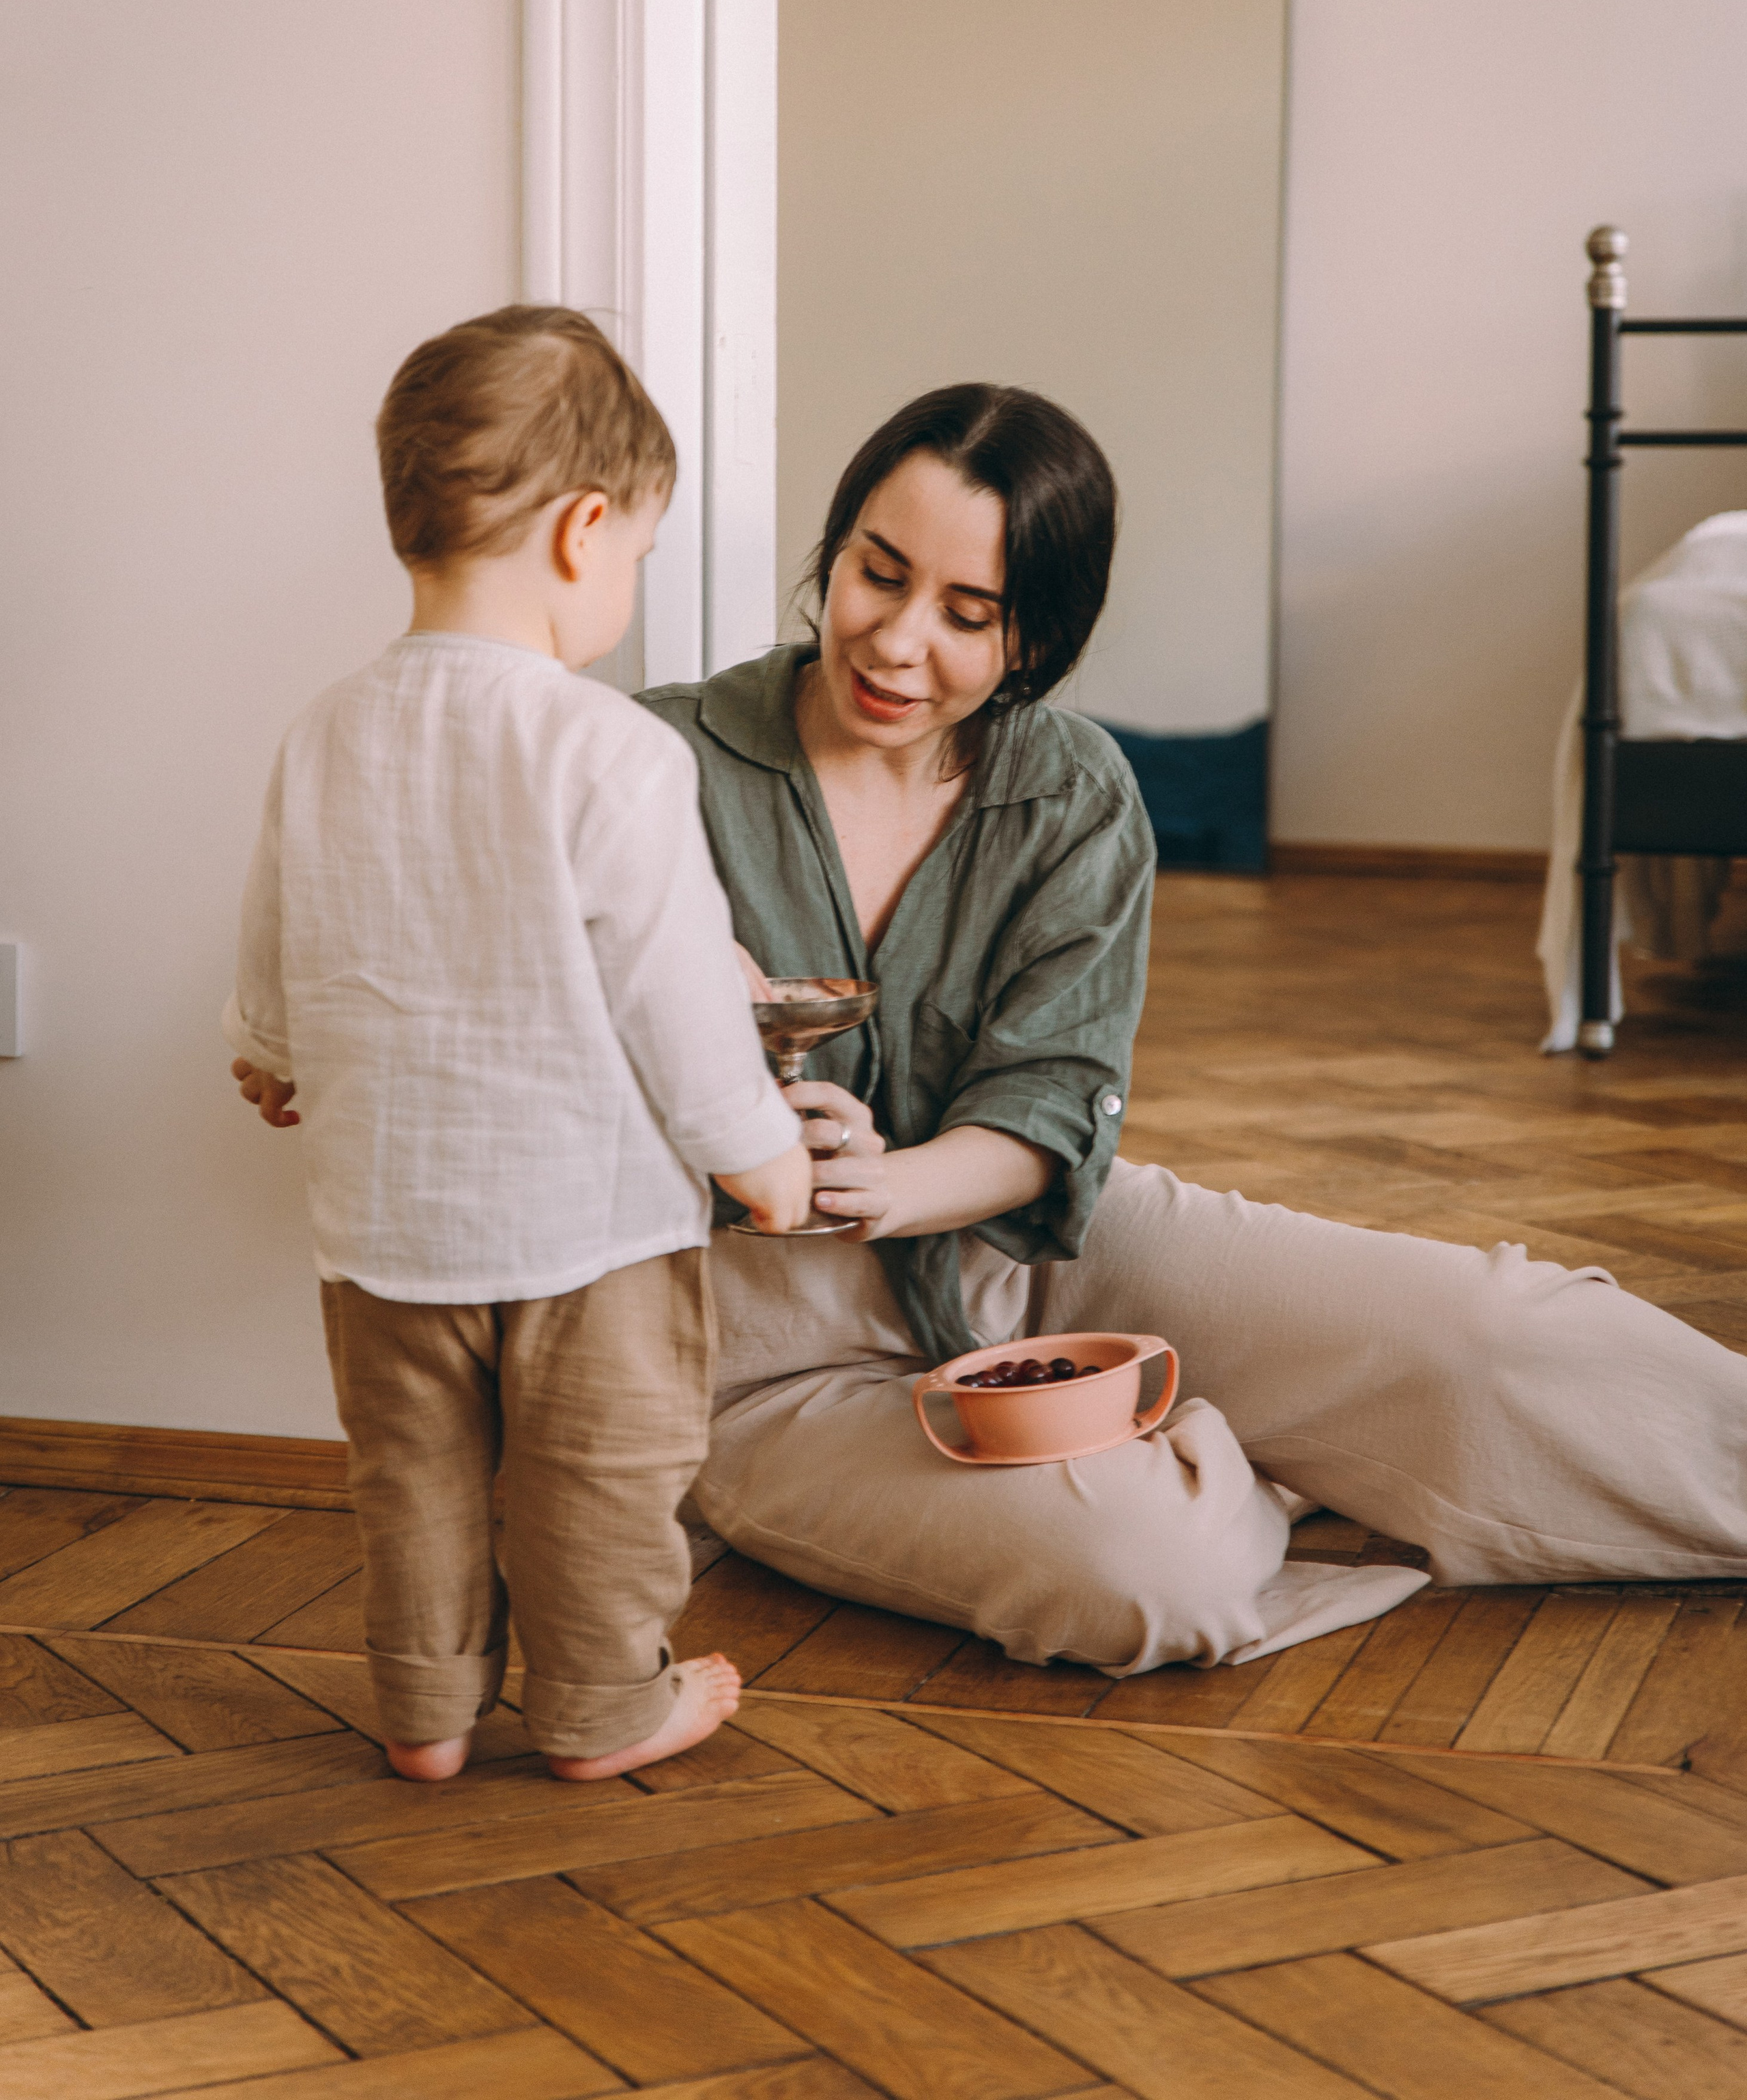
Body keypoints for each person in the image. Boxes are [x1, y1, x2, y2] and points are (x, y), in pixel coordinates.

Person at [642, 383, 1747, 1674]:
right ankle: (1236, 1463)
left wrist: (880, 1183)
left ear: (1038, 638)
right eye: (875, 575)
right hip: (773, 1361)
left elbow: (1051, 1101)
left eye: (968, 613)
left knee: (1491, 1330)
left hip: (1039, 1257)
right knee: (1154, 1577)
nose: (894, 640)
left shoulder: (1072, 790)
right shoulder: (652, 764)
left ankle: (1200, 1431)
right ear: (834, 552)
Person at [225, 307, 811, 1780]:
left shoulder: (325, 729)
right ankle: (606, 1702)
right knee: (599, 1474)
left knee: (408, 1472)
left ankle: (425, 1709)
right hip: (586, 1228)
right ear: (582, 529)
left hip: (382, 1223)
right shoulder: (610, 749)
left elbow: (282, 922)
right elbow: (674, 993)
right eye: (634, 558)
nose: (622, 583)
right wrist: (759, 1153)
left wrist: (270, 1046)